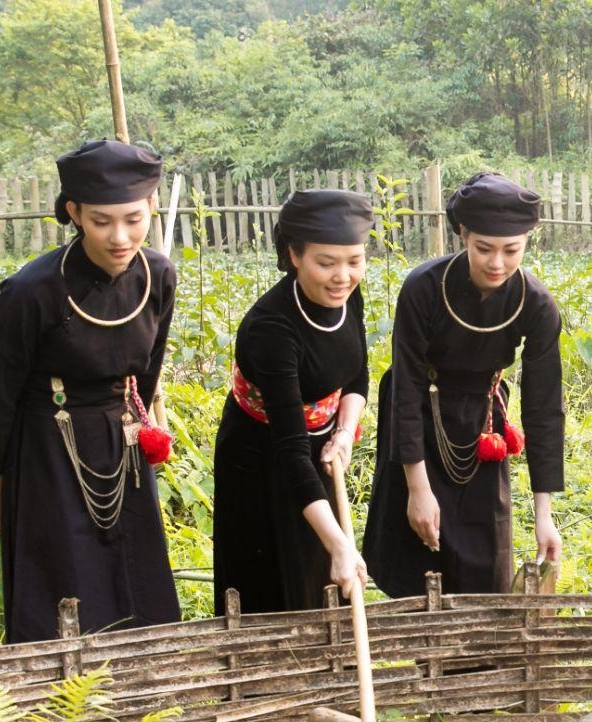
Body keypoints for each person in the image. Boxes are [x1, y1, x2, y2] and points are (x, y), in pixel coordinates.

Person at [0, 139, 179, 643]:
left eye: (133, 219)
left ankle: (143, 684)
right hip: (48, 442)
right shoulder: (31, 292)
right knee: (64, 573)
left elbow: (147, 373)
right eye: (101, 221)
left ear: (151, 207)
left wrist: (140, 429)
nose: (119, 236)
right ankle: (60, 698)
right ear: (74, 213)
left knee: (134, 568)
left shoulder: (158, 277)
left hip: (121, 442)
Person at [361, 172, 563, 597]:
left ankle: (477, 661)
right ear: (463, 234)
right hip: (418, 414)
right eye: (483, 248)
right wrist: (417, 489)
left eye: (511, 250)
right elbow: (406, 387)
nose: (497, 263)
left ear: (528, 241)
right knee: (419, 557)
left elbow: (545, 409)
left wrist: (544, 513)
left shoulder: (537, 304)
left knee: (483, 558)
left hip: (483, 424)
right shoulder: (422, 288)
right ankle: (426, 660)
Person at [212, 188, 371, 614]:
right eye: (326, 262)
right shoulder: (272, 329)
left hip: (318, 449)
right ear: (294, 255)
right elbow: (289, 449)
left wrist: (343, 433)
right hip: (262, 458)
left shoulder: (347, 295)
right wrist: (339, 541)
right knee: (273, 586)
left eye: (354, 261)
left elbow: (357, 373)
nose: (343, 276)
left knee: (322, 575)